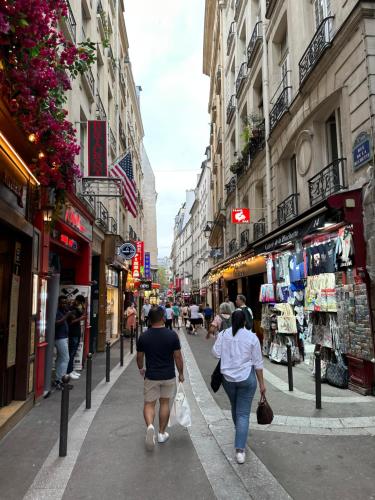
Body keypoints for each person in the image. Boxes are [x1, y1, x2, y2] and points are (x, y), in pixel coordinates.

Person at [212, 310, 265, 464]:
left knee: (235, 408)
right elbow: (258, 363)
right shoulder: (252, 337)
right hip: (246, 379)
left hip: (228, 379)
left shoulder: (223, 334)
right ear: (244, 322)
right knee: (243, 413)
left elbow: (215, 353)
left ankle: (240, 435)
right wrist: (262, 384)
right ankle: (240, 449)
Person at [136, 306, 184, 451]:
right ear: (163, 318)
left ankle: (150, 426)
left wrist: (141, 369)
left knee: (149, 404)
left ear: (149, 320)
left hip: (151, 375)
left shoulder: (144, 336)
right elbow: (178, 357)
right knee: (164, 403)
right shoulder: (172, 335)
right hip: (168, 375)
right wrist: (181, 373)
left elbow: (139, 357)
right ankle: (162, 433)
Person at [54, 296, 73, 390]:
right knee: (66, 358)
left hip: (63, 337)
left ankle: (58, 379)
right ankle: (61, 380)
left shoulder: (63, 311)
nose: (64, 304)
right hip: (59, 338)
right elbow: (56, 323)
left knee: (60, 359)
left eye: (65, 302)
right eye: (62, 302)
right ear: (58, 303)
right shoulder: (57, 312)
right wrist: (66, 316)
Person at [67, 294, 86, 380]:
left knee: (73, 353)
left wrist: (84, 308)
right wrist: (80, 319)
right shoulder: (72, 309)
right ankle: (69, 371)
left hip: (76, 332)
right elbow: (71, 322)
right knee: (71, 352)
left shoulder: (77, 309)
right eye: (81, 303)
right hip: (73, 333)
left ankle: (72, 369)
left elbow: (83, 313)